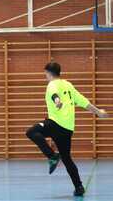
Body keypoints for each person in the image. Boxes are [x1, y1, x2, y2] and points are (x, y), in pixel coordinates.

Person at [26, 62, 109, 196]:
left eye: (45, 74)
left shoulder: (52, 84)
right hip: (67, 129)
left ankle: (52, 156)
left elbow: (54, 95)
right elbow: (83, 101)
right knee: (66, 158)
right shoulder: (68, 85)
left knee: (31, 132)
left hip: (55, 123)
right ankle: (79, 187)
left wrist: (57, 102)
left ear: (48, 72)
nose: (45, 76)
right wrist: (98, 112)